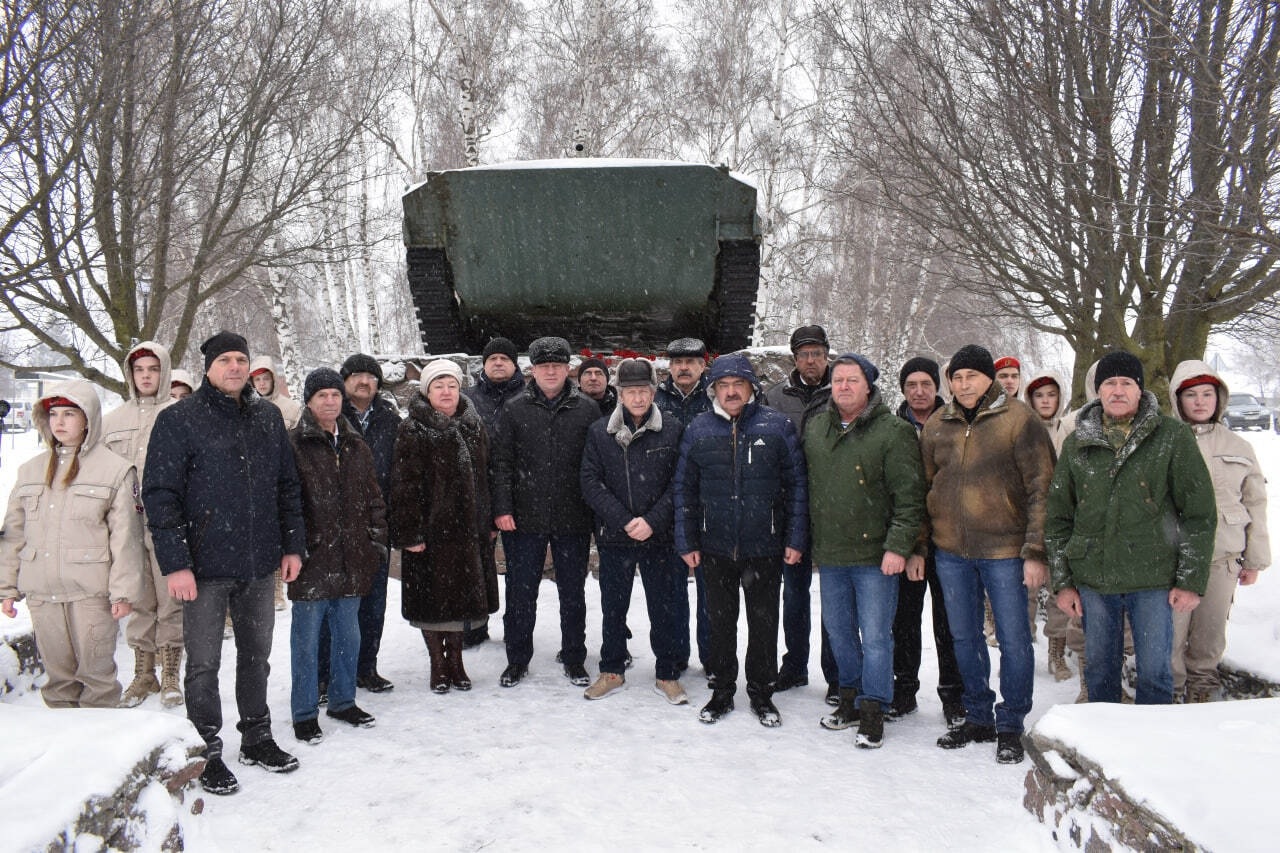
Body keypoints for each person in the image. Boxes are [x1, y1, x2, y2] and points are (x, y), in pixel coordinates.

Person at [143, 330, 306, 796]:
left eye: (241, 359)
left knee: (256, 657)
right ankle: (205, 749)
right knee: (204, 664)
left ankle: (256, 737)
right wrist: (176, 563)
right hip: (203, 566)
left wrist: (291, 547)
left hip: (258, 563)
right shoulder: (180, 420)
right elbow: (161, 495)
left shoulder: (268, 417)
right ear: (208, 368)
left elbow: (286, 486)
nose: (235, 367)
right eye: (225, 361)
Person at [1047, 351, 1217, 708]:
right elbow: (1059, 519)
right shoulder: (1078, 442)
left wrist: (1189, 580)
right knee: (1099, 673)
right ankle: (1105, 750)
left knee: (1155, 673)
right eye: (1110, 383)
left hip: (1152, 579)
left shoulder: (1171, 437)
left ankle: (1150, 754)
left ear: (1140, 390)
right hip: (1095, 579)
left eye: (1127, 383)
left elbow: (1199, 514)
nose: (1118, 390)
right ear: (1099, 391)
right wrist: (1063, 583)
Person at [920, 344, 1054, 765]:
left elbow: (1041, 488)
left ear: (989, 379)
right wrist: (925, 543)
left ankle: (1011, 722)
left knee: (1014, 639)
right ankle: (977, 715)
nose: (963, 385)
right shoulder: (938, 425)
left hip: (1005, 550)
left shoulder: (1019, 420)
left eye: (971, 377)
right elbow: (927, 486)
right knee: (964, 636)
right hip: (951, 552)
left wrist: (1035, 551)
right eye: (956, 378)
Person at [675, 353, 807, 727]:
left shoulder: (776, 426)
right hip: (715, 546)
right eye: (723, 386)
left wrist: (794, 537)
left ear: (751, 388)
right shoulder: (699, 429)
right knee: (720, 623)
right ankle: (722, 691)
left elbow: (796, 487)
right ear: (713, 390)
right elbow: (685, 489)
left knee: (764, 624)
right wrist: (687, 541)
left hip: (763, 546)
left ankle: (762, 693)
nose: (731, 392)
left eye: (738, 384)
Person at [805, 354, 925, 749]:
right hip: (833, 554)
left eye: (852, 380)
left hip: (876, 556)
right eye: (838, 380)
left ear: (868, 386)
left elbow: (909, 498)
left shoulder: (892, 431)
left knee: (875, 636)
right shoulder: (818, 427)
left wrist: (898, 547)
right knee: (840, 634)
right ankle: (851, 698)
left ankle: (875, 707)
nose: (843, 386)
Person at [0, 381, 144, 708]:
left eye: (69, 414)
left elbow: (126, 538)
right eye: (53, 414)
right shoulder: (30, 471)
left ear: (88, 419)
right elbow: (13, 534)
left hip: (91, 593)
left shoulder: (115, 470)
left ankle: (98, 748)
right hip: (42, 593)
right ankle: (67, 748)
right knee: (58, 679)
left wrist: (123, 592)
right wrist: (7, 588)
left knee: (97, 678)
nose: (60, 422)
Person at [490, 336, 600, 688]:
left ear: (567, 369)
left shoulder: (586, 408)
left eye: (557, 365)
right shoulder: (514, 407)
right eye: (543, 366)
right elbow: (502, 462)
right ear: (532, 370)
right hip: (524, 518)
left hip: (573, 515)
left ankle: (574, 657)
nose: (550, 371)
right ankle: (517, 659)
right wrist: (503, 507)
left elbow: (595, 464)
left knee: (573, 593)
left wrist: (592, 507)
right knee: (520, 594)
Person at [579, 358, 687, 703]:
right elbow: (590, 482)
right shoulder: (600, 431)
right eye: (631, 392)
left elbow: (679, 483)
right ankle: (611, 670)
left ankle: (668, 673)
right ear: (620, 395)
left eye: (644, 391)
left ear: (653, 393)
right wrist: (624, 520)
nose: (638, 398)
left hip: (660, 536)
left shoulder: (672, 428)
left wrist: (652, 521)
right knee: (613, 606)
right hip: (616, 534)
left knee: (663, 606)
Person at [288, 368, 386, 744]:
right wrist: (295, 547)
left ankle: (344, 701)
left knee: (349, 635)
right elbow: (287, 502)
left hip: (353, 556)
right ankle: (304, 712)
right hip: (313, 558)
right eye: (321, 396)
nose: (329, 402)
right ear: (309, 401)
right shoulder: (294, 443)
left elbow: (373, 497)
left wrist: (375, 541)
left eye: (334, 395)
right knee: (307, 641)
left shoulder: (356, 444)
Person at [390, 359, 499, 693]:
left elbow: (486, 475)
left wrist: (488, 519)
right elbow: (403, 485)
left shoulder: (472, 423)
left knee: (458, 604)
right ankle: (438, 665)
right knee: (432, 605)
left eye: (451, 384)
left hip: (468, 531)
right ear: (426, 391)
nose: (446, 391)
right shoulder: (413, 428)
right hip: (431, 533)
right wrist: (410, 533)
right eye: (438, 385)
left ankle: (457, 662)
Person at [1167, 359, 1269, 701]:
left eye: (1207, 394)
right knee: (1170, 640)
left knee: (1209, 639)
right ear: (1178, 400)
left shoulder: (1239, 446)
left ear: (1219, 398)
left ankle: (1202, 697)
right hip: (1173, 560)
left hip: (1222, 558)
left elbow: (1255, 503)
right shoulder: (1164, 441)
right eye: (1191, 394)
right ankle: (1170, 699)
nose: (1199, 402)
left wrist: (1254, 559)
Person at [103, 341, 184, 709]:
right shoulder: (112, 421)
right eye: (140, 370)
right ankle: (143, 672)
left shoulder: (180, 414)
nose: (146, 376)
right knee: (137, 596)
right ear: (130, 375)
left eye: (153, 369)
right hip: (126, 523)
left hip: (167, 521)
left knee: (170, 596)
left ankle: (170, 672)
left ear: (163, 372)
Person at [316, 353, 401, 694]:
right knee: (331, 605)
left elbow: (400, 471)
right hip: (336, 527)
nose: (364, 381)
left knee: (373, 602)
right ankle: (325, 674)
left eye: (371, 376)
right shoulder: (332, 416)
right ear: (344, 380)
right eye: (357, 375)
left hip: (376, 525)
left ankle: (367, 667)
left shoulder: (389, 420)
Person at [762, 324, 838, 700]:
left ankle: (835, 671)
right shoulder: (775, 397)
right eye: (805, 354)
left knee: (835, 595)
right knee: (794, 594)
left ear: (827, 356)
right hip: (790, 508)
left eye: (818, 354)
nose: (811, 361)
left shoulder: (841, 392)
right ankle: (794, 665)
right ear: (795, 359)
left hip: (832, 507)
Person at [889, 357, 964, 727]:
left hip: (950, 537)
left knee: (949, 622)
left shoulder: (954, 422)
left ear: (937, 386)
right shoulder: (893, 426)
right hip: (906, 537)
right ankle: (903, 689)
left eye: (926, 384)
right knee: (903, 621)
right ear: (903, 389)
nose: (919, 391)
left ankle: (953, 694)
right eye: (911, 385)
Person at [654, 336, 712, 683]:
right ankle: (674, 655)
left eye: (690, 362)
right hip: (668, 507)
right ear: (669, 367)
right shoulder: (657, 400)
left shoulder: (716, 396)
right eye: (677, 362)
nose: (684, 368)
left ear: (702, 366)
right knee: (671, 590)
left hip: (709, 506)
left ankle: (712, 655)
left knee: (711, 591)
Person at [461, 337, 525, 649]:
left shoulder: (528, 396)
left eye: (504, 358)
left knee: (519, 567)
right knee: (476, 563)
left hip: (520, 492)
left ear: (515, 364)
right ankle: (474, 625)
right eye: (492, 359)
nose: (498, 363)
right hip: (478, 493)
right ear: (483, 365)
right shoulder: (468, 399)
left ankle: (517, 628)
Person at [1023, 369, 1082, 683]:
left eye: (1051, 395)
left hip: (1063, 525)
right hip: (1029, 524)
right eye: (1039, 396)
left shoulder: (1071, 432)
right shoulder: (1021, 431)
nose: (1045, 401)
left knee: (1060, 590)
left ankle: (1057, 653)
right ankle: (1021, 653)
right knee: (1025, 594)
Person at [249, 355, 303, 430]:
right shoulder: (247, 408)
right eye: (257, 379)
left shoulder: (292, 408)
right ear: (252, 382)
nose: (262, 383)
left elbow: (298, 438)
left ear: (273, 380)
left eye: (266, 378)